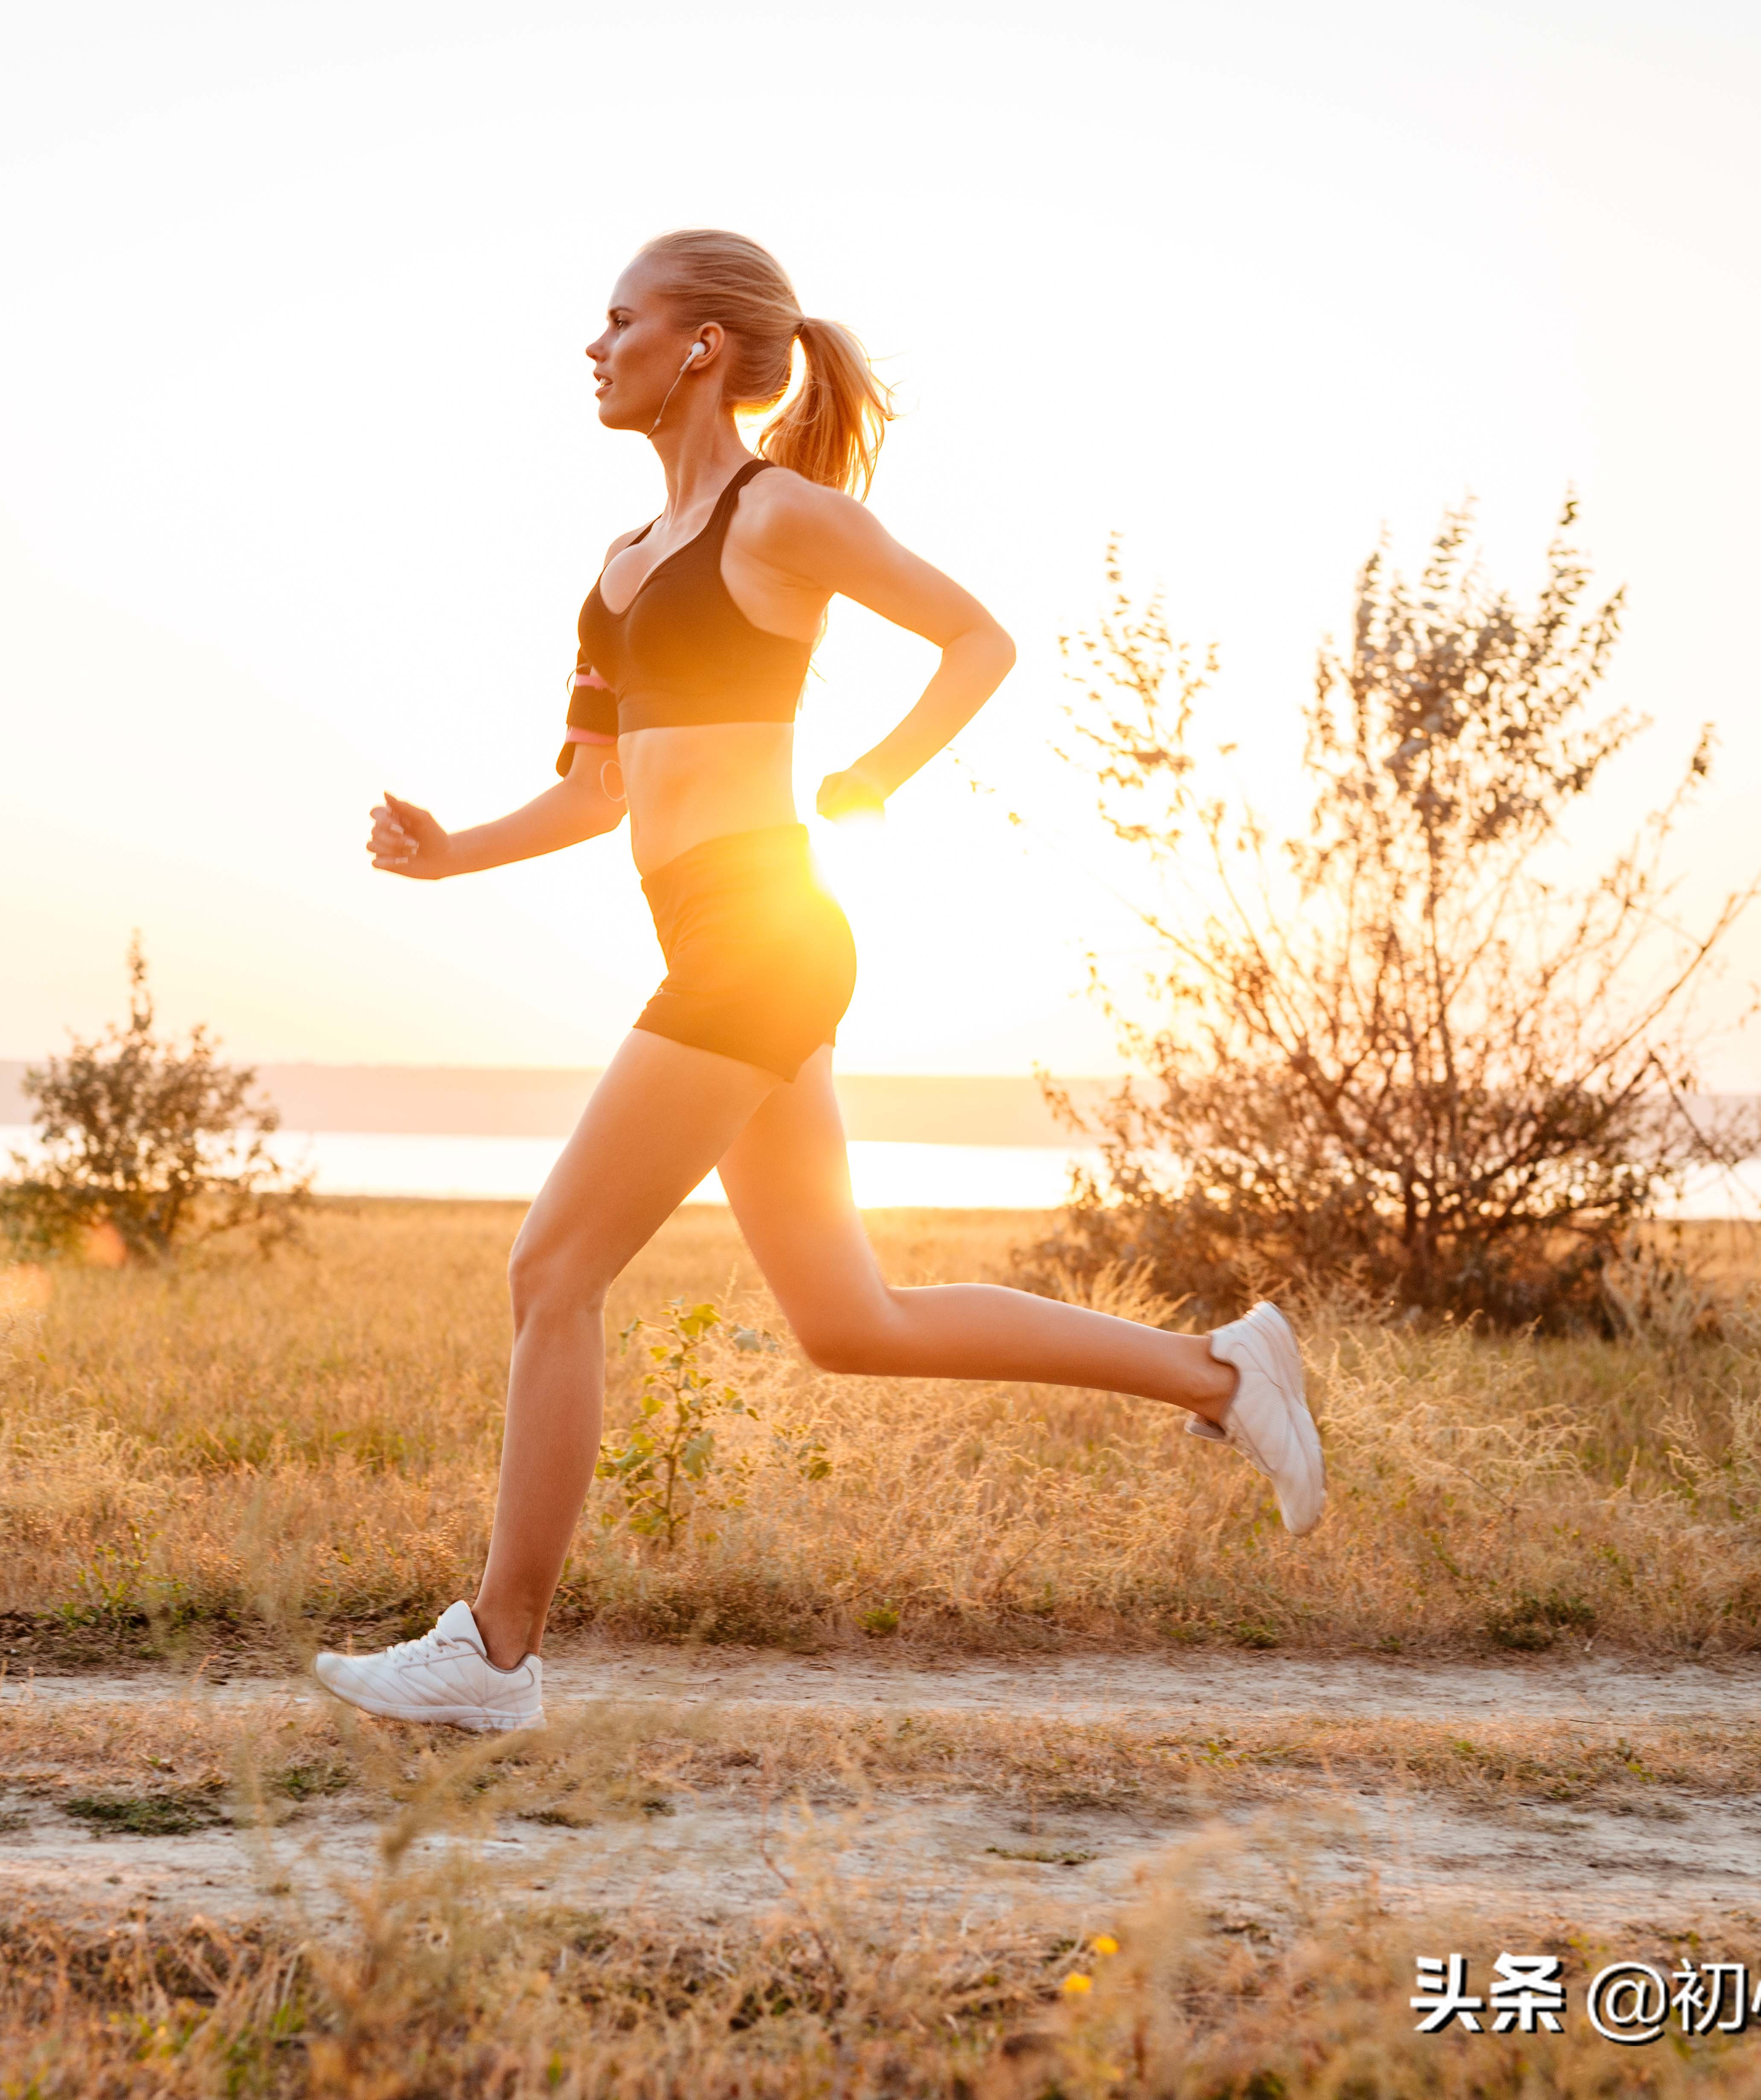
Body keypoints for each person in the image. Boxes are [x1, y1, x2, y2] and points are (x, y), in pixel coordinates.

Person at [316, 230, 1322, 1733]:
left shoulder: (777, 514)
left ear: (703, 345)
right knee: (852, 1322)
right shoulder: (615, 574)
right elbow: (597, 793)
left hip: (762, 938)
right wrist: (453, 853)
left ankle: (497, 1654)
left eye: (621, 320)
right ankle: (1222, 1375)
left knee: (553, 1269)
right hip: (723, 943)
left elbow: (978, 640)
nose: (594, 347)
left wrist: (874, 779)